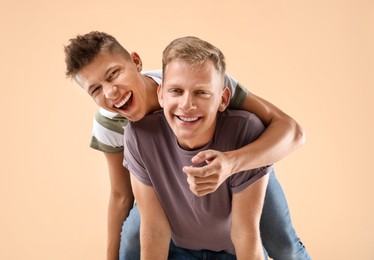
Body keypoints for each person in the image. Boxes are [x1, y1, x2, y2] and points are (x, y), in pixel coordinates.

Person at [64, 31, 310, 259]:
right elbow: (121, 195)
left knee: (283, 244)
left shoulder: (194, 79)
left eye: (113, 74)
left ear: (135, 62)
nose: (110, 92)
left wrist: (232, 164)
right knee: (133, 234)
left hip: (241, 166)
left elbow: (292, 131)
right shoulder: (113, 125)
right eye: (96, 89)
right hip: (165, 181)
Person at [124, 36, 272, 259]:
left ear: (223, 99)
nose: (187, 105)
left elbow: (244, 234)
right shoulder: (139, 136)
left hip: (231, 252)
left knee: (286, 244)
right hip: (179, 250)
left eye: (201, 92)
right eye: (176, 91)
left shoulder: (245, 131)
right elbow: (155, 231)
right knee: (131, 233)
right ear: (161, 94)